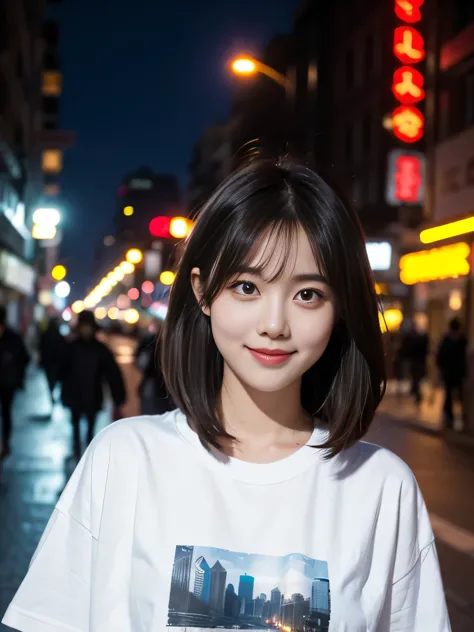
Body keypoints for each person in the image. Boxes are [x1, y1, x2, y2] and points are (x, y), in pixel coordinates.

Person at [2, 157, 450, 631]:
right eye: (246, 287)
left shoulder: (381, 487)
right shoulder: (126, 459)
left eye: (308, 295)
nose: (274, 324)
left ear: (340, 309)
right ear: (203, 292)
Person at [59, 310, 126, 459]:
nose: (86, 330)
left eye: (88, 326)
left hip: (93, 395)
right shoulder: (71, 347)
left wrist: (118, 398)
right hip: (75, 395)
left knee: (90, 428)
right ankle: (77, 452)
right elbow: (61, 370)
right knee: (75, 425)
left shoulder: (100, 349)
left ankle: (87, 455)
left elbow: (112, 373)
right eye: (83, 326)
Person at [0, 306, 29, 460]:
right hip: (7, 382)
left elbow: (24, 359)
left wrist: (19, 378)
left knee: (6, 414)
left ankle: (6, 443)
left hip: (7, 384)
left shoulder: (13, 339)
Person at [436, 317, 467, 429]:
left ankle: (453, 416)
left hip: (453, 372)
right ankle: (453, 416)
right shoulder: (460, 340)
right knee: (453, 395)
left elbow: (440, 356)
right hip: (454, 372)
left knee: (451, 395)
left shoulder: (454, 340)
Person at [38, 317, 66, 403]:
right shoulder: (59, 336)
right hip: (56, 362)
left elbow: (41, 347)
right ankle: (53, 393)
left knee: (50, 379)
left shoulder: (45, 334)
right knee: (55, 379)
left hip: (48, 362)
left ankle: (52, 393)